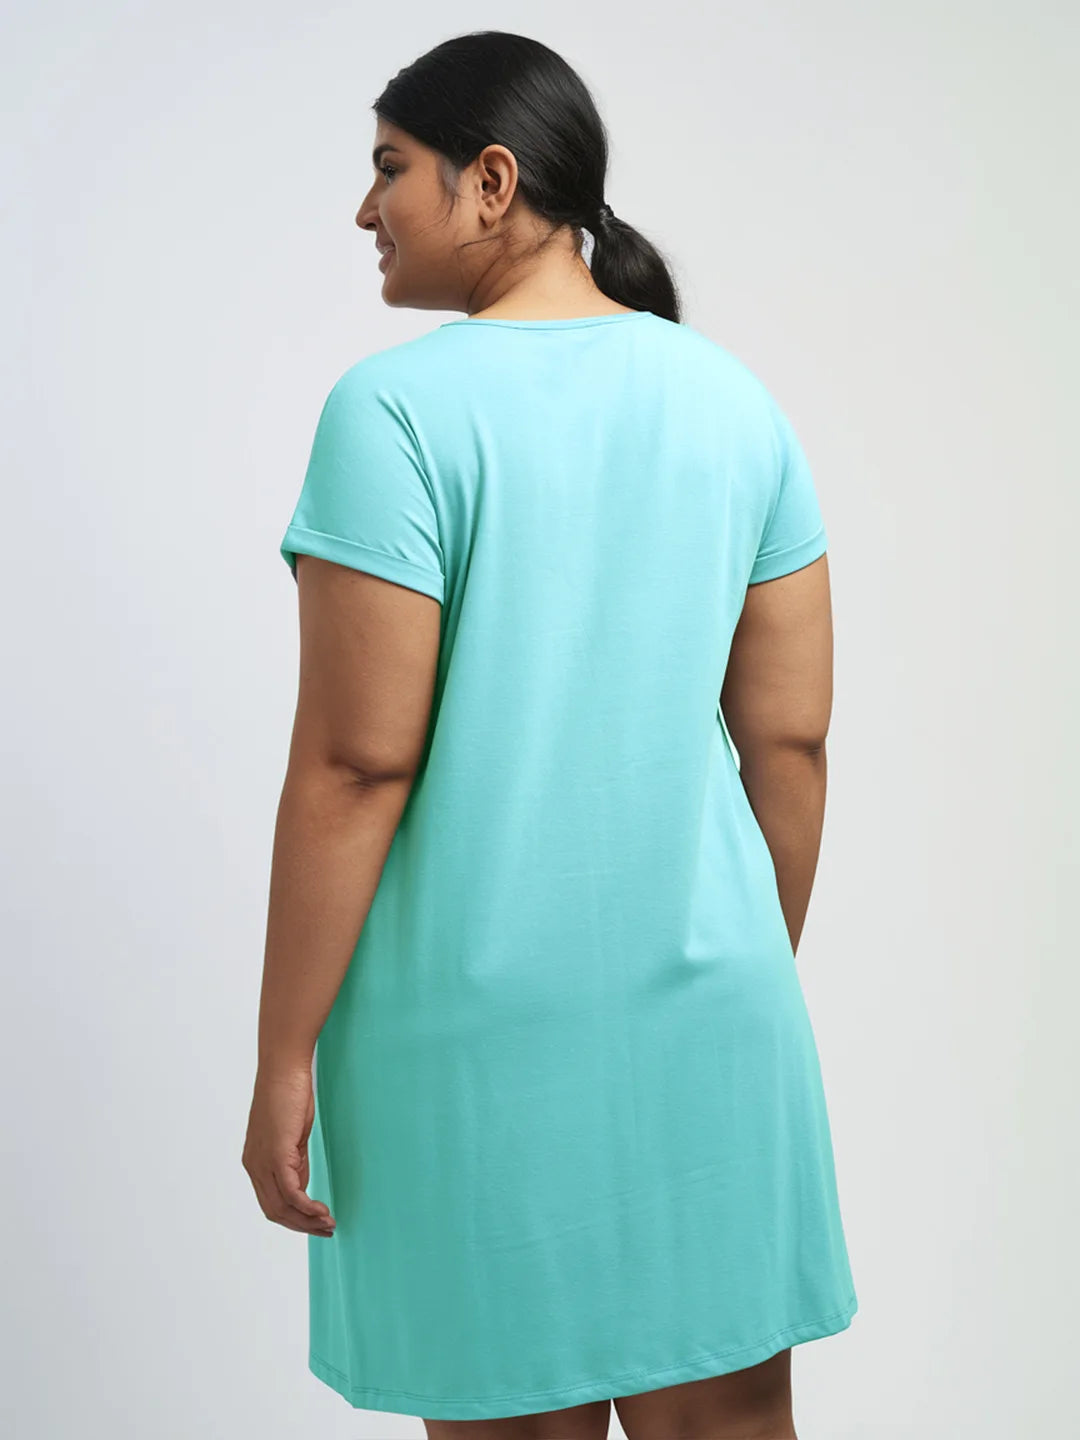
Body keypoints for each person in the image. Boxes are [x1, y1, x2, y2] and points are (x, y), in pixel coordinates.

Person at [242, 28, 858, 1440]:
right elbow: (791, 745)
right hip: (712, 1021)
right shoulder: (733, 402)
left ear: (492, 181)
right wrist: (735, 973)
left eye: (389, 168)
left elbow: (356, 764)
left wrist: (283, 1056)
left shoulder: (394, 414)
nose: (365, 208)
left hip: (471, 1046)